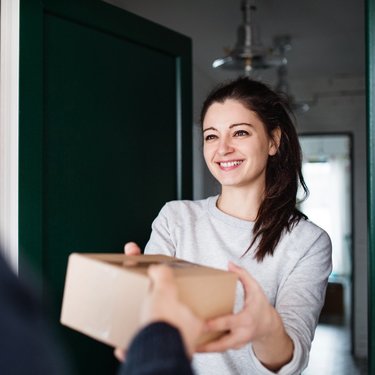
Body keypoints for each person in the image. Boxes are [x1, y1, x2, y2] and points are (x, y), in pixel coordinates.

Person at [122, 77, 333, 375]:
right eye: (211, 136)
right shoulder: (176, 218)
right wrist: (131, 300)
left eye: (240, 133)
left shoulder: (308, 242)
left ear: (274, 141)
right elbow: (148, 318)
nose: (223, 148)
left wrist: (264, 328)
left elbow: (290, 360)